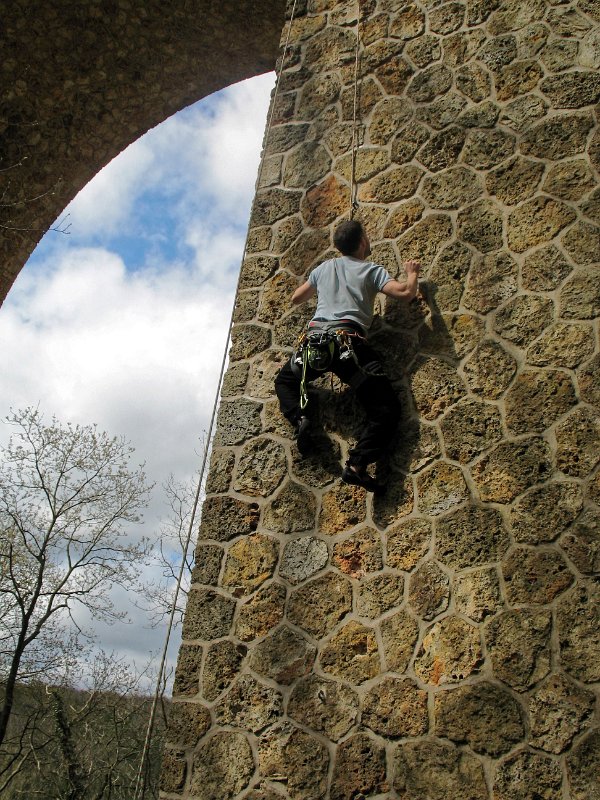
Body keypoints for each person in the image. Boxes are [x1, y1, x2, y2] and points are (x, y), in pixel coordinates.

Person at [274, 219, 421, 493]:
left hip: (315, 347)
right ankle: (357, 464)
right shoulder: (371, 270)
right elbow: (405, 293)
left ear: (339, 246)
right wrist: (412, 273)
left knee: (285, 381)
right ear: (363, 241)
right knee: (385, 408)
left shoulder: (323, 269)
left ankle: (300, 419)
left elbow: (296, 298)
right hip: (348, 348)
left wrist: (319, 285)